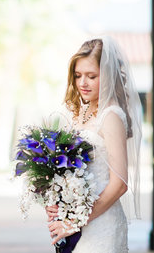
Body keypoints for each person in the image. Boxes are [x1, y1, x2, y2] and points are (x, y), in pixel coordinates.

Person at [45, 37, 142, 252]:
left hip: (101, 224)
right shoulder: (84, 111)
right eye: (78, 75)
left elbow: (120, 184)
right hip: (77, 222)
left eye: (92, 76)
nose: (82, 83)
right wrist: (56, 200)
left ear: (108, 76)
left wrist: (75, 221)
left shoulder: (111, 116)